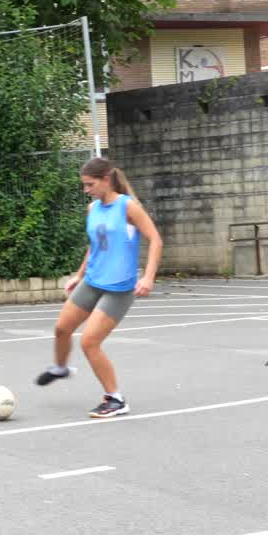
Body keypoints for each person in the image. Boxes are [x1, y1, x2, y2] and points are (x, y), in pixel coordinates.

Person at [35, 157, 163, 418]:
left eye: (90, 184)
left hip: (118, 289)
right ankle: (60, 368)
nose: (86, 190)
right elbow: (95, 245)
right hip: (92, 281)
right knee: (61, 328)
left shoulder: (128, 207)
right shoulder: (92, 209)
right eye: (84, 185)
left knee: (90, 342)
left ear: (106, 179)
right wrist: (79, 275)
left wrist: (148, 277)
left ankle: (115, 399)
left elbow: (156, 240)